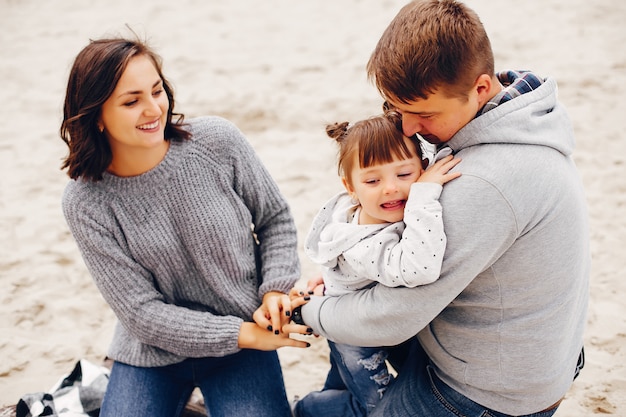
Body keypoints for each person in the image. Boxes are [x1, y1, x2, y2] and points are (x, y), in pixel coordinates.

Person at [295, 1, 589, 416]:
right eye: (399, 110)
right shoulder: (525, 120)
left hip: (487, 394)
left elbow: (391, 319)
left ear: (481, 87)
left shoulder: (485, 180)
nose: (409, 129)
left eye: (424, 114)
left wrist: (306, 311)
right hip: (529, 350)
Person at [59, 36, 310, 417]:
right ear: (96, 115)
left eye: (157, 91)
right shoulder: (84, 201)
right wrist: (243, 334)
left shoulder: (217, 142)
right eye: (131, 101)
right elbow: (141, 313)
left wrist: (274, 290)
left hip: (242, 345)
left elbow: (274, 220)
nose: (153, 109)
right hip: (154, 353)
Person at [291, 112, 461, 417]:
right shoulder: (363, 242)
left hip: (366, 317)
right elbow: (418, 268)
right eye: (372, 180)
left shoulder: (374, 212)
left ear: (422, 168)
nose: (391, 188)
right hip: (355, 338)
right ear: (350, 187)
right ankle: (304, 410)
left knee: (342, 384)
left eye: (405, 175)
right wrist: (423, 194)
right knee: (371, 407)